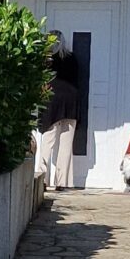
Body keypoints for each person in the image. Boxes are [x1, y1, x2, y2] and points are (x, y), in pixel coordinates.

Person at [35, 47, 80, 194]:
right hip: (71, 100)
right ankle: (62, 182)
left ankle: (42, 179)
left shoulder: (47, 59)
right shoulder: (72, 58)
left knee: (48, 142)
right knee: (66, 144)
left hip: (52, 101)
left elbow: (42, 82)